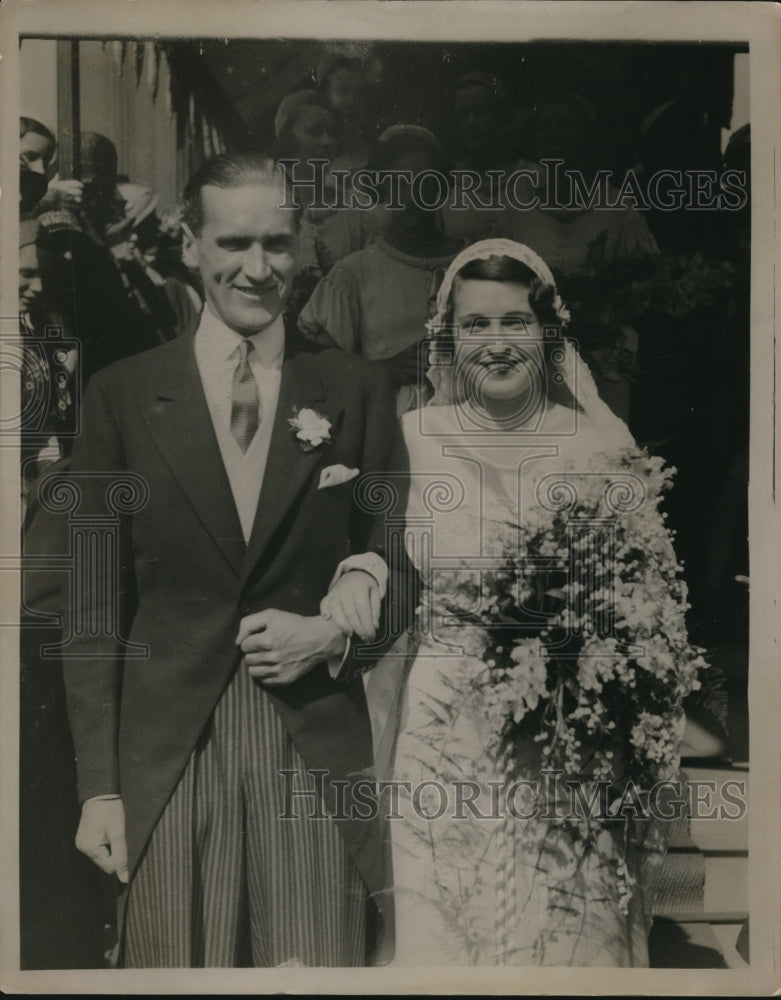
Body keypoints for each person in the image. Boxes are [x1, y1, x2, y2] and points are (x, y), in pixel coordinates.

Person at [61, 151, 414, 967]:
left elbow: (401, 559)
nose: (257, 270)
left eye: (278, 245)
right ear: (191, 245)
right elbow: (89, 606)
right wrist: (99, 786)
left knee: (317, 972)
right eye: (233, 244)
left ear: (304, 247)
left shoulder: (355, 389)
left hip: (312, 743)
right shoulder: (119, 394)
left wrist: (334, 638)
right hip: (166, 752)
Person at [384, 239, 700, 966]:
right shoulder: (412, 441)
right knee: (448, 925)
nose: (495, 344)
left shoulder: (597, 444)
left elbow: (644, 597)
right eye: (474, 326)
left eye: (514, 322)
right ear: (447, 337)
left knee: (561, 930)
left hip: (567, 730)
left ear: (547, 332)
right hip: (443, 721)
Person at [298, 125, 464, 414]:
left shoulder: (475, 262)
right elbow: (317, 371)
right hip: (389, 436)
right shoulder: (353, 274)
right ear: (381, 188)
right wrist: (381, 371)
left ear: (442, 186)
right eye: (399, 183)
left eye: (424, 182)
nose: (412, 196)